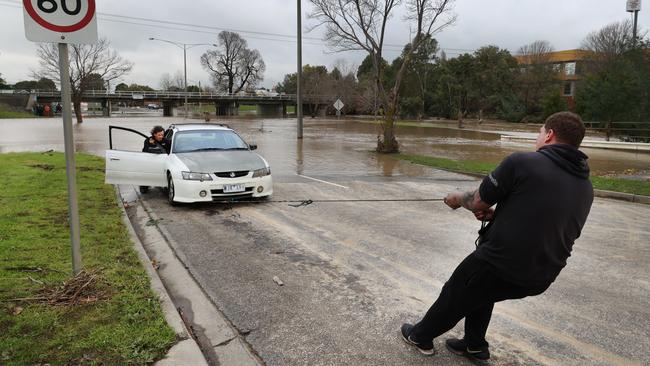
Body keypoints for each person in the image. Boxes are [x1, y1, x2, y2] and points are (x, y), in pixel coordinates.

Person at [400, 112, 594, 364]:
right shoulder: (585, 186)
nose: (537, 138)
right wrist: (500, 217)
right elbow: (548, 222)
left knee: (458, 288)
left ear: (549, 135)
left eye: (539, 131)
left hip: (501, 263)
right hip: (541, 276)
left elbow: (478, 199)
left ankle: (420, 336)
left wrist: (457, 198)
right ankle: (475, 346)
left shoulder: (523, 162)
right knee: (483, 289)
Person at [140, 125, 169, 193]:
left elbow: (169, 152)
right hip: (150, 162)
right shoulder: (147, 140)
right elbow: (145, 152)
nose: (161, 136)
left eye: (162, 135)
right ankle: (144, 186)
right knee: (145, 174)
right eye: (159, 135)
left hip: (163, 162)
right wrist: (152, 144)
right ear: (154, 134)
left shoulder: (166, 141)